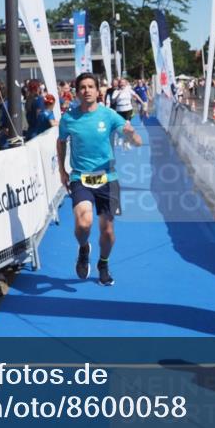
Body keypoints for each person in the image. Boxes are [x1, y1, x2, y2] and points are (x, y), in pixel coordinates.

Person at [57, 72, 142, 287]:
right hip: (80, 177)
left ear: (97, 91)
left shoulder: (109, 115)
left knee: (108, 231)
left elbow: (137, 141)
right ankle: (84, 248)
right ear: (76, 93)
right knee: (84, 223)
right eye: (82, 87)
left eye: (90, 87)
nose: (86, 90)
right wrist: (62, 170)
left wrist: (132, 134)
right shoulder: (68, 118)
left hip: (108, 178)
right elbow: (61, 142)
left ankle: (103, 263)